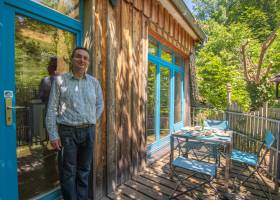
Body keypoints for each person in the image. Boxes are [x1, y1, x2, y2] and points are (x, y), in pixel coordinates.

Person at [46, 47, 104, 200]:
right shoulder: (60, 81)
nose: (82, 60)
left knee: (84, 170)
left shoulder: (94, 83)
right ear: (72, 60)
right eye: (78, 56)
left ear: (88, 62)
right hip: (67, 133)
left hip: (88, 132)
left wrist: (92, 119)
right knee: (68, 172)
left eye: (85, 58)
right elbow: (52, 109)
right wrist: (53, 134)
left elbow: (100, 104)